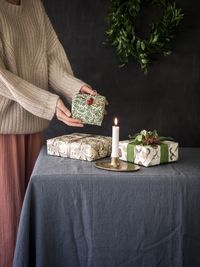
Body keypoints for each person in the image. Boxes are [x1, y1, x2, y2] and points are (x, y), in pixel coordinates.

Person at [0, 0, 106, 266]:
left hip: (32, 131)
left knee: (34, 229)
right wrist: (49, 103)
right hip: (2, 135)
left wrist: (76, 91)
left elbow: (51, 61)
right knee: (9, 232)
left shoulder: (34, 4)